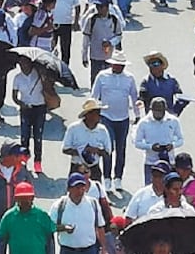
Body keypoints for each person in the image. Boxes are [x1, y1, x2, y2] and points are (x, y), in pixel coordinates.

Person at [91, 50, 139, 192]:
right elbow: (94, 96)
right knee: (108, 149)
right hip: (106, 117)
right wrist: (93, 115)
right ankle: (107, 178)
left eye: (121, 64)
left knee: (121, 149)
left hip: (123, 118)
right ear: (112, 64)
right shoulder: (102, 76)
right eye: (117, 64)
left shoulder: (129, 78)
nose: (119, 67)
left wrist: (137, 115)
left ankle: (118, 178)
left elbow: (134, 97)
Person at [50, 173, 108, 254]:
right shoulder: (59, 205)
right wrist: (63, 228)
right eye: (77, 188)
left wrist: (104, 248)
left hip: (89, 250)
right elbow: (49, 226)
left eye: (83, 187)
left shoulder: (93, 203)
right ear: (69, 189)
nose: (80, 191)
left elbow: (100, 226)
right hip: (68, 250)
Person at [0, 182, 55, 254]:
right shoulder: (8, 217)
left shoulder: (42, 216)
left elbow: (50, 241)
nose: (24, 201)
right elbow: (2, 242)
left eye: (27, 198)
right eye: (21, 198)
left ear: (32, 198)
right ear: (16, 199)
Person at [62, 99, 113, 181]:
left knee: (96, 192)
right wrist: (81, 151)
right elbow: (65, 149)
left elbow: (107, 153)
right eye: (97, 114)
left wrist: (96, 151)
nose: (100, 117)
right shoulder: (73, 128)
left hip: (94, 170)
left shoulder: (102, 130)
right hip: (76, 168)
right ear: (88, 115)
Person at [12, 57, 47, 175]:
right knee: (24, 136)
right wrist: (20, 103)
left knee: (38, 136)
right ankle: (24, 160)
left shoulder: (38, 75)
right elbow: (14, 96)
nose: (23, 66)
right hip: (25, 109)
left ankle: (38, 162)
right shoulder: (17, 78)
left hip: (39, 107)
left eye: (25, 63)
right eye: (20, 64)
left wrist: (44, 78)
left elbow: (47, 87)